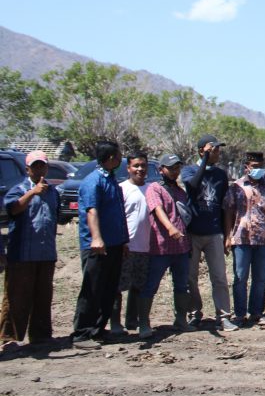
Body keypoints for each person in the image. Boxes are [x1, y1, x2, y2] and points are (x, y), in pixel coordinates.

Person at [72, 140, 130, 349]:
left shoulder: (112, 179)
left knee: (108, 288)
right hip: (97, 245)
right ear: (111, 158)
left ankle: (98, 330)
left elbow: (118, 213)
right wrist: (96, 237)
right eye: (118, 154)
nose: (120, 158)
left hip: (114, 244)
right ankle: (82, 334)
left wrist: (123, 240)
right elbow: (91, 210)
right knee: (92, 288)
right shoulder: (93, 181)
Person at [0, 151, 58, 348]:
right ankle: (9, 337)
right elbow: (13, 209)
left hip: (46, 253)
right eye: (35, 166)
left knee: (43, 295)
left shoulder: (53, 192)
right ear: (27, 169)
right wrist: (33, 192)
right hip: (22, 253)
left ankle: (41, 335)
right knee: (17, 296)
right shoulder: (18, 189)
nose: (39, 169)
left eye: (42, 165)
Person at [223, 147, 265, 326]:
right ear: (246, 167)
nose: (258, 169)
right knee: (240, 277)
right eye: (254, 166)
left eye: (260, 165)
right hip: (241, 238)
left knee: (260, 278)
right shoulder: (236, 187)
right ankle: (240, 314)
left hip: (264, 239)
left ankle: (256, 312)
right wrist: (228, 236)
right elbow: (228, 210)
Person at [183, 134, 238, 331]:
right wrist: (204, 160)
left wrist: (227, 235)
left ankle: (223, 316)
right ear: (202, 151)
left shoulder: (220, 175)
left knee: (219, 277)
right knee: (191, 278)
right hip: (193, 232)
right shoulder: (189, 170)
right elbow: (192, 186)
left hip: (214, 232)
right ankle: (194, 314)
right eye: (214, 150)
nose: (218, 153)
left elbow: (224, 207)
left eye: (217, 150)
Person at [139, 154, 194, 339]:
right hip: (161, 247)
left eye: (177, 168)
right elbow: (157, 210)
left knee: (181, 285)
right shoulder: (154, 189)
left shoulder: (180, 191)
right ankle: (144, 323)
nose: (175, 171)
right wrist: (170, 228)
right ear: (161, 169)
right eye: (171, 168)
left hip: (182, 247)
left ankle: (181, 319)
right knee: (151, 286)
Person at [112, 152, 151, 335]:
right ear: (128, 168)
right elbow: (118, 218)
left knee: (139, 286)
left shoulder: (152, 189)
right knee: (119, 286)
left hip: (146, 247)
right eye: (136, 166)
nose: (140, 169)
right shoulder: (121, 189)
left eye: (143, 165)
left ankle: (133, 321)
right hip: (126, 246)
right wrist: (121, 242)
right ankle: (115, 323)